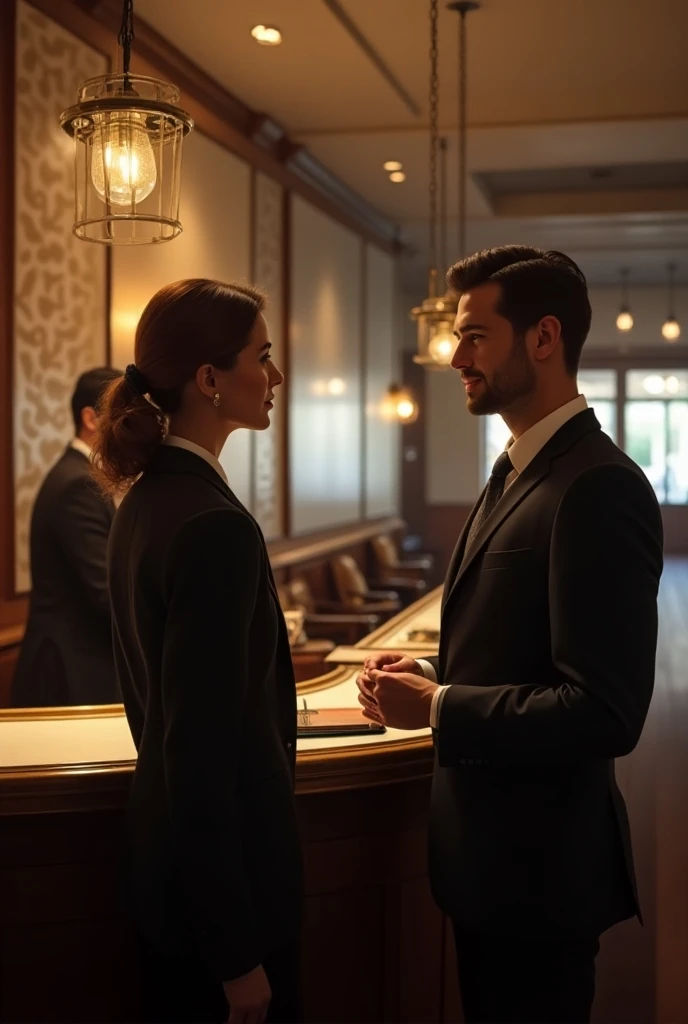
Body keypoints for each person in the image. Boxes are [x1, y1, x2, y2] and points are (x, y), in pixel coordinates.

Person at [357, 246, 663, 1024]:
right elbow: (521, 639)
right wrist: (430, 666)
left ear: (543, 338)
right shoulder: (521, 469)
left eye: (474, 336)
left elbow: (604, 710)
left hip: (541, 875)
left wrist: (437, 706)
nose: (455, 357)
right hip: (492, 867)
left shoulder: (596, 485)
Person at [93, 279, 302, 1024]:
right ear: (209, 380)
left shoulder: (144, 500)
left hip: (168, 885)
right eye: (263, 357)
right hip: (220, 905)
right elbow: (198, 760)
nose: (275, 377)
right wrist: (234, 952)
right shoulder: (210, 524)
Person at [12, 366, 122, 707]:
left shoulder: (82, 476)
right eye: (123, 416)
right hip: (70, 675)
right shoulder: (78, 484)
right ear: (90, 419)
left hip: (80, 666)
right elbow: (108, 594)